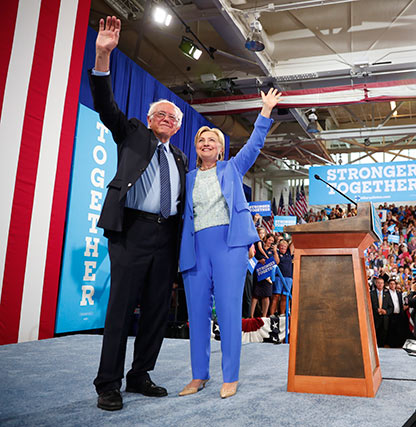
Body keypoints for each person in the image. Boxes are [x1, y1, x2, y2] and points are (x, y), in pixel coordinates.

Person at [90, 16, 189, 411]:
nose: (167, 120)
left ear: (179, 128)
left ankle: (140, 374)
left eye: (174, 118)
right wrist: (102, 55)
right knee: (120, 309)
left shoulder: (181, 157)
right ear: (149, 119)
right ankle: (107, 383)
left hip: (167, 238)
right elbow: (105, 105)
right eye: (161, 115)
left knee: (155, 313)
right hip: (131, 231)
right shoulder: (131, 132)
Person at [178, 87, 280, 399]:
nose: (206, 143)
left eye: (212, 140)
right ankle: (199, 376)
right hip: (195, 248)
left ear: (220, 149)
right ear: (196, 148)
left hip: (229, 246)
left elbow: (254, 145)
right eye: (201, 140)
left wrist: (265, 111)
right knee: (197, 314)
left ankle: (230, 376)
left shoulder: (232, 168)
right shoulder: (189, 177)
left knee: (228, 311)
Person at [270, 239, 293, 315]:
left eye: (285, 246)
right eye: (281, 246)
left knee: (285, 296)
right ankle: (272, 314)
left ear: (287, 247)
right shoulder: (277, 253)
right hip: (278, 277)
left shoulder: (289, 253)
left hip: (288, 277)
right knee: (276, 296)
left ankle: (282, 314)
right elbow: (277, 261)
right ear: (278, 247)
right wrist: (275, 252)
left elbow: (293, 242)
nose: (283, 248)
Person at [371, 277, 393, 347]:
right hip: (375, 318)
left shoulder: (387, 294)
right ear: (376, 284)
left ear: (384, 284)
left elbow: (391, 307)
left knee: (383, 336)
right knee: (374, 336)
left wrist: (386, 311)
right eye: (379, 283)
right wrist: (376, 310)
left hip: (384, 319)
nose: (380, 284)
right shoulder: (371, 294)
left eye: (382, 283)